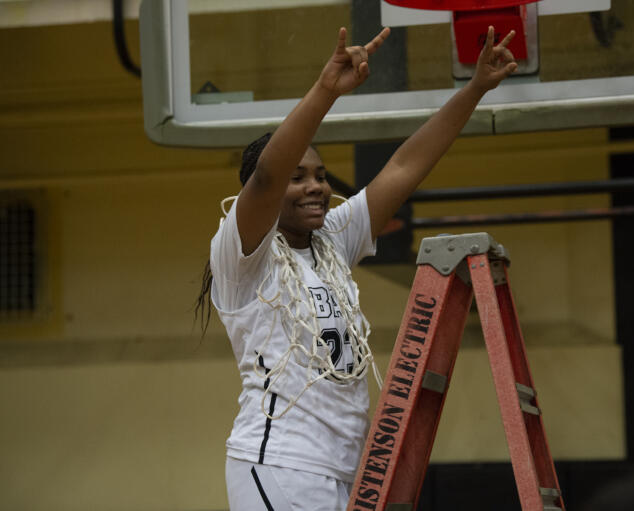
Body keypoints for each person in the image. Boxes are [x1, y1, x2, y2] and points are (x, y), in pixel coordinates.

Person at [195, 24, 518, 511]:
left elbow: (404, 169)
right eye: (298, 177)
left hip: (347, 470)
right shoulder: (240, 255)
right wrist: (327, 90)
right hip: (279, 465)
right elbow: (266, 175)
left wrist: (472, 91)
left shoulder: (330, 240)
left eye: (321, 176)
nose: (316, 187)